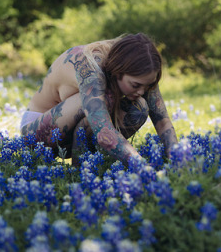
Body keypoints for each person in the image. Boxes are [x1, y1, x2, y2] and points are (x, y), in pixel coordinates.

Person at [20, 33, 178, 166]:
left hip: (74, 136)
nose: (141, 91)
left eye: (147, 86)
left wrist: (177, 160)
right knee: (103, 101)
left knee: (140, 107)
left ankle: (84, 166)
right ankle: (80, 172)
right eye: (135, 85)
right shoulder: (90, 67)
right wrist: (141, 166)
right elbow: (103, 132)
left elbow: (163, 122)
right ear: (118, 71)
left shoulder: (142, 68)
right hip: (37, 136)